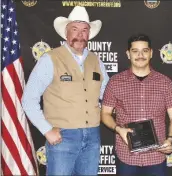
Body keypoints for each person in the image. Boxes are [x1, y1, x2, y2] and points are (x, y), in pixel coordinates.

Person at [22, 6, 109, 175]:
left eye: (84, 30)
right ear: (66, 33)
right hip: (63, 137)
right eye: (74, 29)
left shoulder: (96, 61)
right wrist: (46, 130)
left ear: (89, 34)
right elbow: (29, 99)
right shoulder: (50, 59)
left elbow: (107, 94)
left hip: (92, 136)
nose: (80, 34)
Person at [101, 34, 172, 176]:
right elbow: (105, 114)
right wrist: (119, 129)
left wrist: (170, 139)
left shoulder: (165, 82)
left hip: (156, 156)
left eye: (144, 51)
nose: (140, 55)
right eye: (135, 51)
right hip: (127, 156)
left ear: (151, 53)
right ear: (128, 53)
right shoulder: (115, 82)